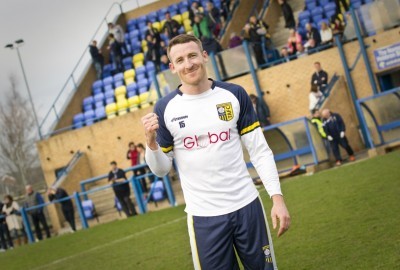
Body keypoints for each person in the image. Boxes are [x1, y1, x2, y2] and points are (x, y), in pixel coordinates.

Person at [141, 34, 290, 270]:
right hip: (204, 218)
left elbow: (260, 151)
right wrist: (151, 144)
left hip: (247, 207)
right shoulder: (165, 108)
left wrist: (277, 199)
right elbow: (161, 170)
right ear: (172, 68)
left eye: (192, 55)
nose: (188, 64)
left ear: (204, 56)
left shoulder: (234, 94)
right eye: (180, 60)